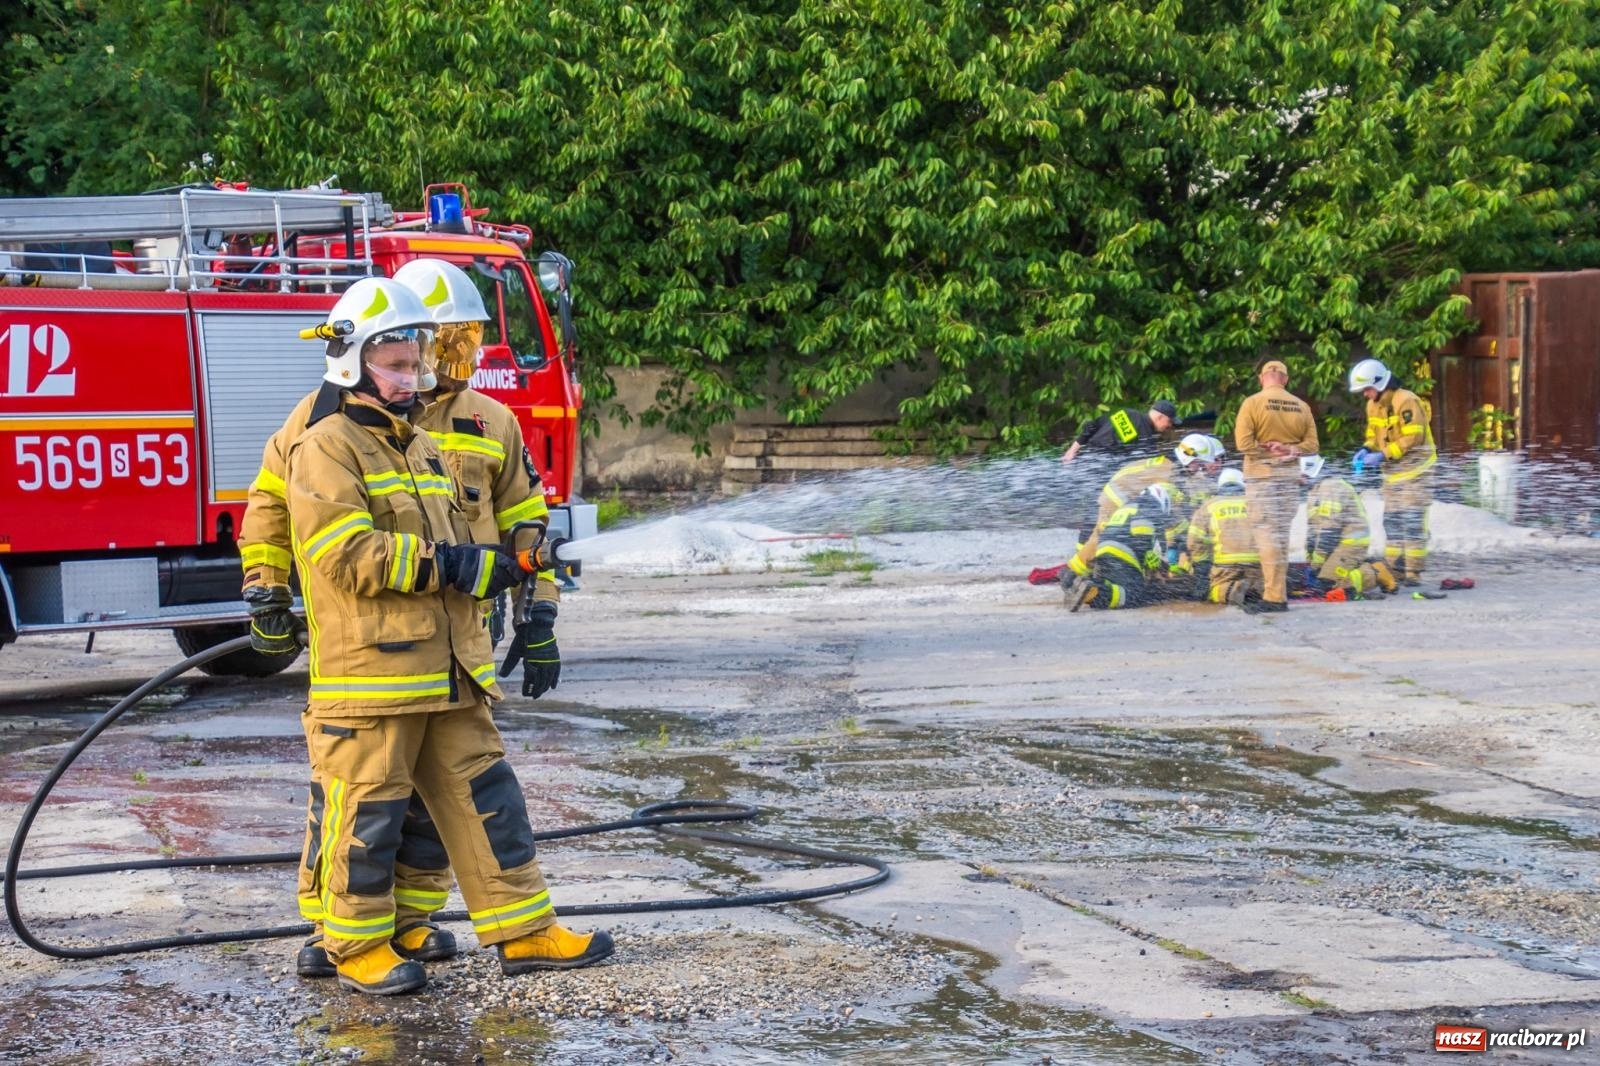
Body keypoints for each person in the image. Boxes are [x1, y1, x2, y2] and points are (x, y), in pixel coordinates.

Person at [277, 277, 612, 996]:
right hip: (370, 677)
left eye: (415, 360)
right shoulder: (324, 447)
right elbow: (347, 553)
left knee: (489, 802)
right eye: (396, 363)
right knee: (364, 811)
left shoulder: (426, 445)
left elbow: (480, 532)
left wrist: (518, 577)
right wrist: (457, 565)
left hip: (454, 671)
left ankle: (524, 931)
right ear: (351, 361)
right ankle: (354, 943)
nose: (414, 375)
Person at [391, 258, 563, 694]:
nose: (458, 358)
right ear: (411, 339)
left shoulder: (493, 420)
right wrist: (268, 590)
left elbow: (527, 527)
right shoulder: (355, 417)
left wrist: (538, 616)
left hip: (473, 630)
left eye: (467, 340)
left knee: (474, 758)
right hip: (389, 636)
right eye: (447, 344)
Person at [1065, 433, 1225, 579]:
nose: (1200, 470)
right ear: (1189, 457)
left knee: (1118, 537)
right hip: (1116, 500)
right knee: (1101, 537)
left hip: (1122, 497)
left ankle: (1093, 573)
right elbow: (1173, 515)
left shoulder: (1170, 465)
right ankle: (1073, 574)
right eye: (1199, 465)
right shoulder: (1169, 473)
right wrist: (1188, 535)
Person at [1233, 359, 1318, 612]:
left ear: (1262, 378)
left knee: (1266, 535)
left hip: (1262, 479)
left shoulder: (1252, 403)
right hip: (1289, 481)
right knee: (1281, 537)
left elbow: (1244, 444)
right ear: (1285, 379)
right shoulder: (1301, 406)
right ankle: (1276, 593)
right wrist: (1290, 450)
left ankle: (1273, 598)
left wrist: (1268, 451)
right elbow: (1312, 446)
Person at [1349, 358, 1437, 586]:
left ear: (1379, 385)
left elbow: (1413, 438)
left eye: (1367, 389)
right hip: (1393, 473)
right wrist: (1366, 448)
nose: (1365, 394)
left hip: (1416, 470)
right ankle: (1395, 570)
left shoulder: (1406, 401)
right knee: (1393, 521)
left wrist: (1382, 455)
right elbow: (1373, 434)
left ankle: (1413, 573)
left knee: (1412, 520)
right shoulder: (1373, 405)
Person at [1064, 485, 1180, 610]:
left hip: (1104, 550)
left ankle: (1087, 585)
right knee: (1134, 595)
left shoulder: (1127, 506)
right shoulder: (1151, 506)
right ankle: (1093, 593)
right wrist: (1147, 552)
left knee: (1116, 584)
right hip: (1123, 553)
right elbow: (1142, 530)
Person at [1301, 455, 1398, 599]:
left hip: (1350, 545)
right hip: (1336, 545)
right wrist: (1309, 555)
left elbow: (1329, 531)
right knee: (1315, 585)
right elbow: (1314, 528)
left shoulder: (1331, 487)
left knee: (1328, 587)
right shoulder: (1314, 490)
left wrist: (1316, 563)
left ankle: (1375, 573)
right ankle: (1360, 566)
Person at [1186, 469, 1263, 606]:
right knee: (1265, 583)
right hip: (1257, 562)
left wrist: (1202, 565)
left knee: (1212, 590)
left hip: (1225, 565)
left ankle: (1229, 591)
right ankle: (1258, 588)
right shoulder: (1255, 503)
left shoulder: (1209, 505)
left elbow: (1194, 541)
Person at [1060, 400, 1177, 464]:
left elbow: (1091, 426)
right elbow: (1149, 464)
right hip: (1099, 470)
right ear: (1160, 417)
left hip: (1081, 458)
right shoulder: (1146, 436)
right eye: (1170, 421)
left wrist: (1071, 451)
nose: (1170, 425)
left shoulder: (1127, 413)